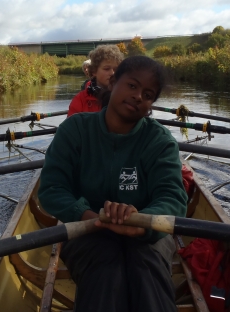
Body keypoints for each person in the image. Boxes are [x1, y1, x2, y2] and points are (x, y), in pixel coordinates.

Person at [39, 56, 187, 312]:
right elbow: (52, 188)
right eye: (132, 85)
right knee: (105, 263)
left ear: (151, 103)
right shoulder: (75, 130)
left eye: (148, 94)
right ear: (114, 81)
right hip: (86, 229)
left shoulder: (159, 141)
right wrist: (86, 216)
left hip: (146, 231)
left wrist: (142, 222)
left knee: (146, 264)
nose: (138, 96)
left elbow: (173, 198)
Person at [68, 44, 124, 116]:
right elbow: (71, 126)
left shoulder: (126, 97)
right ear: (94, 71)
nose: (112, 73)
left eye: (115, 69)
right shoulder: (80, 100)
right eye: (106, 69)